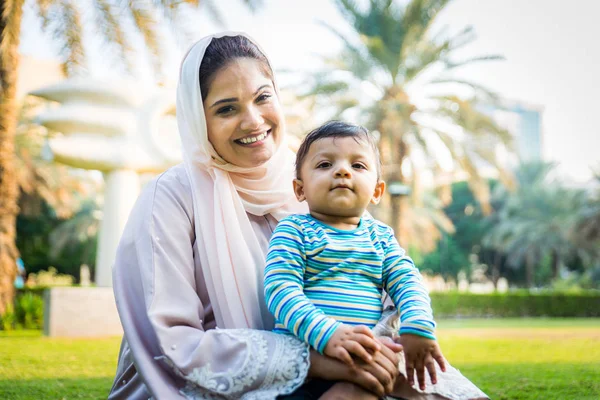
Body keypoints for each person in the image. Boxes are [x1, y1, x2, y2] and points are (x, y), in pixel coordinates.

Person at [108, 32, 488, 400]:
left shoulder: (306, 181)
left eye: (262, 98)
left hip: (346, 363)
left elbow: (385, 285)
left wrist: (367, 351)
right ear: (197, 118)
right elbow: (171, 343)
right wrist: (317, 361)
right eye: (226, 108)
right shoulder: (172, 196)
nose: (253, 120)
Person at [264, 121, 447, 398]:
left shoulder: (381, 237)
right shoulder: (294, 230)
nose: (342, 170)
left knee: (435, 391)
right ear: (300, 189)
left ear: (376, 191)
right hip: (310, 360)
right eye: (324, 165)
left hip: (370, 357)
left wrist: (417, 322)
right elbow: (281, 291)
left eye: (358, 166)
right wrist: (328, 333)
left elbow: (408, 281)